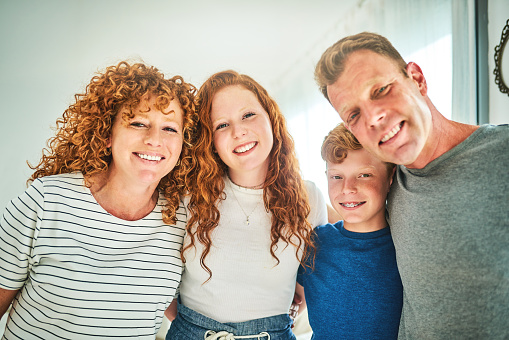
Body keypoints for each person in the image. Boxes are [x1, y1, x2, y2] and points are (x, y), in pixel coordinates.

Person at [314, 31, 509, 339]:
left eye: (380, 90)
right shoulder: (390, 184)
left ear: (417, 78)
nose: (374, 118)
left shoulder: (502, 154)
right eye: (353, 114)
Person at [0, 61, 197, 339]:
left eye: (170, 129)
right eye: (139, 123)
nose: (155, 140)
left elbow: (189, 314)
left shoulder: (182, 219)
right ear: (107, 134)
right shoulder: (46, 202)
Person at [165, 70, 327, 340]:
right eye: (221, 125)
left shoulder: (308, 196)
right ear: (210, 142)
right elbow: (163, 283)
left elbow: (311, 279)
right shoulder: (189, 196)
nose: (239, 131)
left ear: (271, 119)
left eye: (248, 115)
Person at [298, 122, 402, 339]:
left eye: (364, 175)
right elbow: (291, 298)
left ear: (391, 176)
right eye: (336, 177)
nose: (347, 188)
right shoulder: (315, 243)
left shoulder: (404, 245)